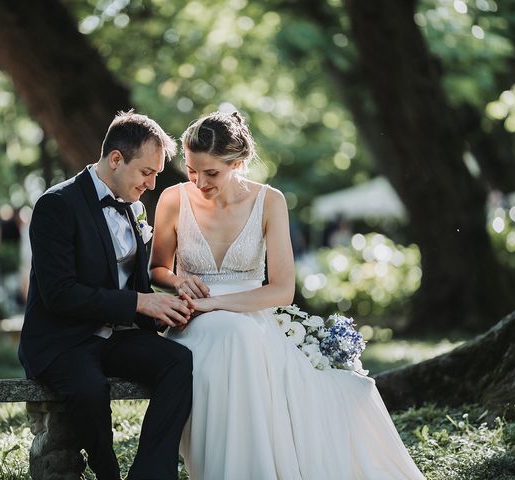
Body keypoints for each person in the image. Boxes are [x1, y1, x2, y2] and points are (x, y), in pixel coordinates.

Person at [150, 111, 425, 479]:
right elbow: (156, 269)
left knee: (246, 337)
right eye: (191, 169)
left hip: (253, 316)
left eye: (211, 172)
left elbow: (281, 290)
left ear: (239, 163)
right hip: (193, 324)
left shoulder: (270, 201)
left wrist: (214, 303)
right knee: (234, 337)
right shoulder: (172, 198)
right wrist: (178, 283)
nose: (199, 181)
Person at [18, 111, 194, 480]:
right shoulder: (57, 205)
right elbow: (59, 294)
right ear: (116, 159)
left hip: (115, 335)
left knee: (178, 362)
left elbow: (134, 284)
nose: (150, 183)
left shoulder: (135, 207)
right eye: (146, 172)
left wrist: (167, 307)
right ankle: (108, 473)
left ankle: (150, 473)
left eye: (156, 175)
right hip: (62, 338)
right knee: (89, 389)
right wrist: (138, 303)